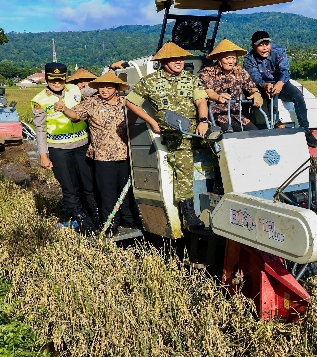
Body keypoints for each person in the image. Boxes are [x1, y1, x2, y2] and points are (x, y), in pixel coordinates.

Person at [125, 42, 209, 231]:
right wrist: (152, 122)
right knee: (184, 166)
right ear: (163, 62)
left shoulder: (191, 79)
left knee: (220, 148)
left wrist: (204, 120)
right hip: (175, 134)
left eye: (181, 58)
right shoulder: (150, 81)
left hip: (197, 129)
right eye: (173, 59)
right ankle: (189, 214)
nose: (179, 62)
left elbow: (201, 100)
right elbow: (131, 102)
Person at [56, 71, 140, 236]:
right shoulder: (91, 103)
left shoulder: (125, 102)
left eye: (109, 87)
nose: (104, 90)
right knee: (107, 193)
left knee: (126, 191)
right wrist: (64, 109)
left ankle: (128, 219)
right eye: (102, 87)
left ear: (116, 89)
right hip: (103, 157)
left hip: (125, 155)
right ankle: (110, 223)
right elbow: (76, 115)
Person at [31, 62, 99, 232]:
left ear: (65, 79)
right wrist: (43, 155)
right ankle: (83, 223)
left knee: (88, 184)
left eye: (60, 79)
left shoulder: (75, 90)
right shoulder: (39, 100)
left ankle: (96, 217)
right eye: (53, 79)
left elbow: (96, 88)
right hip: (59, 149)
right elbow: (40, 129)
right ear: (47, 79)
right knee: (70, 187)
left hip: (82, 145)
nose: (57, 83)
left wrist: (113, 75)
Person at [243, 31, 317, 147]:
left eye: (267, 44)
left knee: (298, 95)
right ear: (253, 46)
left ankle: (305, 130)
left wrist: (279, 83)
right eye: (260, 45)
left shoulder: (279, 51)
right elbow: (255, 77)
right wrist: (265, 85)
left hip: (281, 82)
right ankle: (276, 125)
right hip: (262, 85)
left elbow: (284, 70)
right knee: (271, 94)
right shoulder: (249, 59)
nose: (265, 48)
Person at [199, 39, 263, 132]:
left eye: (233, 58)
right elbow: (208, 91)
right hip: (217, 116)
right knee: (228, 135)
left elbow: (251, 87)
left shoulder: (240, 71)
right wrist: (217, 97)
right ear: (218, 57)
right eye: (227, 58)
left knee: (255, 133)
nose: (231, 61)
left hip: (238, 116)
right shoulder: (207, 72)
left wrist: (256, 94)